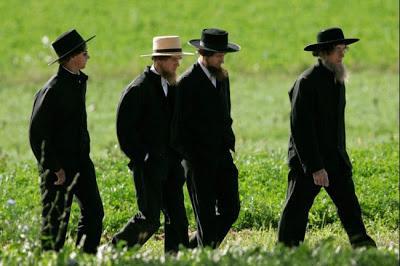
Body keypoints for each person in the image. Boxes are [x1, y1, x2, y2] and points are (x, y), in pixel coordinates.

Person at [277, 27, 376, 248]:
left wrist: (341, 157)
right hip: (308, 161)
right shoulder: (307, 82)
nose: (342, 54)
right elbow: (300, 129)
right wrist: (315, 167)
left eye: (344, 49)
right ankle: (285, 255)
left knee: (351, 209)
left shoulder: (337, 77)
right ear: (323, 53)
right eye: (338, 50)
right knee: (295, 211)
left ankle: (366, 251)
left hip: (335, 159)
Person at [112, 36, 192, 253]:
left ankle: (177, 260)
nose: (178, 63)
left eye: (179, 59)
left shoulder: (174, 85)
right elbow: (125, 132)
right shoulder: (138, 89)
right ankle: (113, 252)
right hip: (148, 167)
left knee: (178, 220)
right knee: (149, 219)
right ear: (159, 60)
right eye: (174, 59)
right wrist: (144, 157)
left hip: (172, 166)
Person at [29, 29, 104, 254]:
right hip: (58, 168)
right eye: (84, 53)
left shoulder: (78, 81)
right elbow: (36, 134)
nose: (88, 57)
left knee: (94, 212)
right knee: (55, 223)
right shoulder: (51, 90)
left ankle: (84, 257)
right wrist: (55, 167)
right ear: (72, 57)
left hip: (81, 162)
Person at [171, 28, 241, 248]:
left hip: (222, 156)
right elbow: (177, 128)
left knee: (231, 209)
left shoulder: (223, 77)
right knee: (206, 216)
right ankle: (204, 253)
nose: (222, 59)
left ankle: (195, 246)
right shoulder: (186, 83)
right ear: (203, 53)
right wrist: (191, 157)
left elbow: (225, 114)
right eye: (218, 55)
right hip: (198, 161)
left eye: (223, 55)